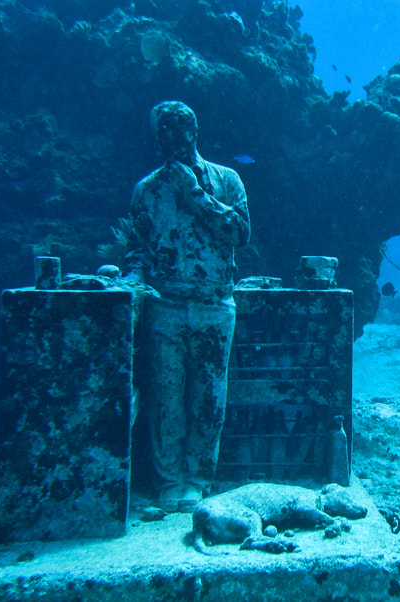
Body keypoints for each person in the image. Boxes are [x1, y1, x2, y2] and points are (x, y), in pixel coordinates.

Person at [126, 101, 251, 512]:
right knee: (165, 395)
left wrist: (195, 195)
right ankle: (168, 480)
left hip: (215, 302)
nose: (175, 136)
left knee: (209, 395)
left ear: (195, 131)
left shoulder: (226, 180)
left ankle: (198, 477)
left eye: (182, 128)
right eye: (166, 129)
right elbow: (138, 250)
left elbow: (240, 232)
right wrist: (131, 285)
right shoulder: (146, 190)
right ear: (156, 135)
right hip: (166, 304)